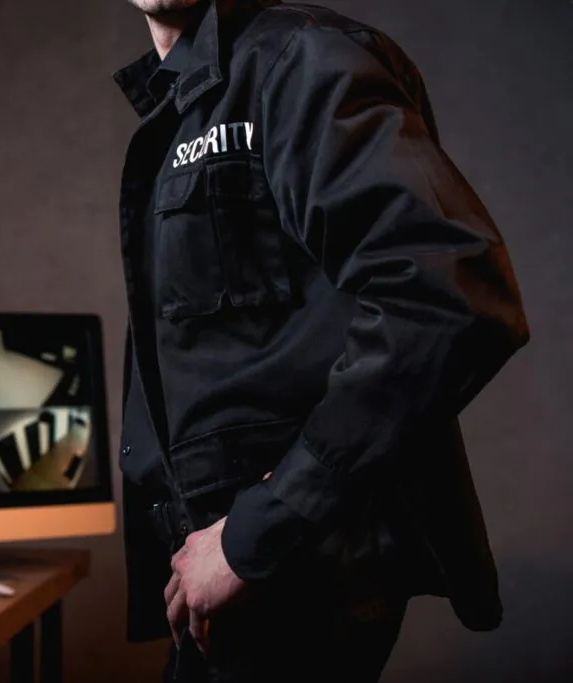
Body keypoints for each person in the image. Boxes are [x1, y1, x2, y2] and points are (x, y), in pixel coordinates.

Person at [112, 1, 530, 680]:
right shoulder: (191, 98)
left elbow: (451, 293)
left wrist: (254, 534)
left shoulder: (299, 60)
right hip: (234, 581)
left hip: (294, 571)